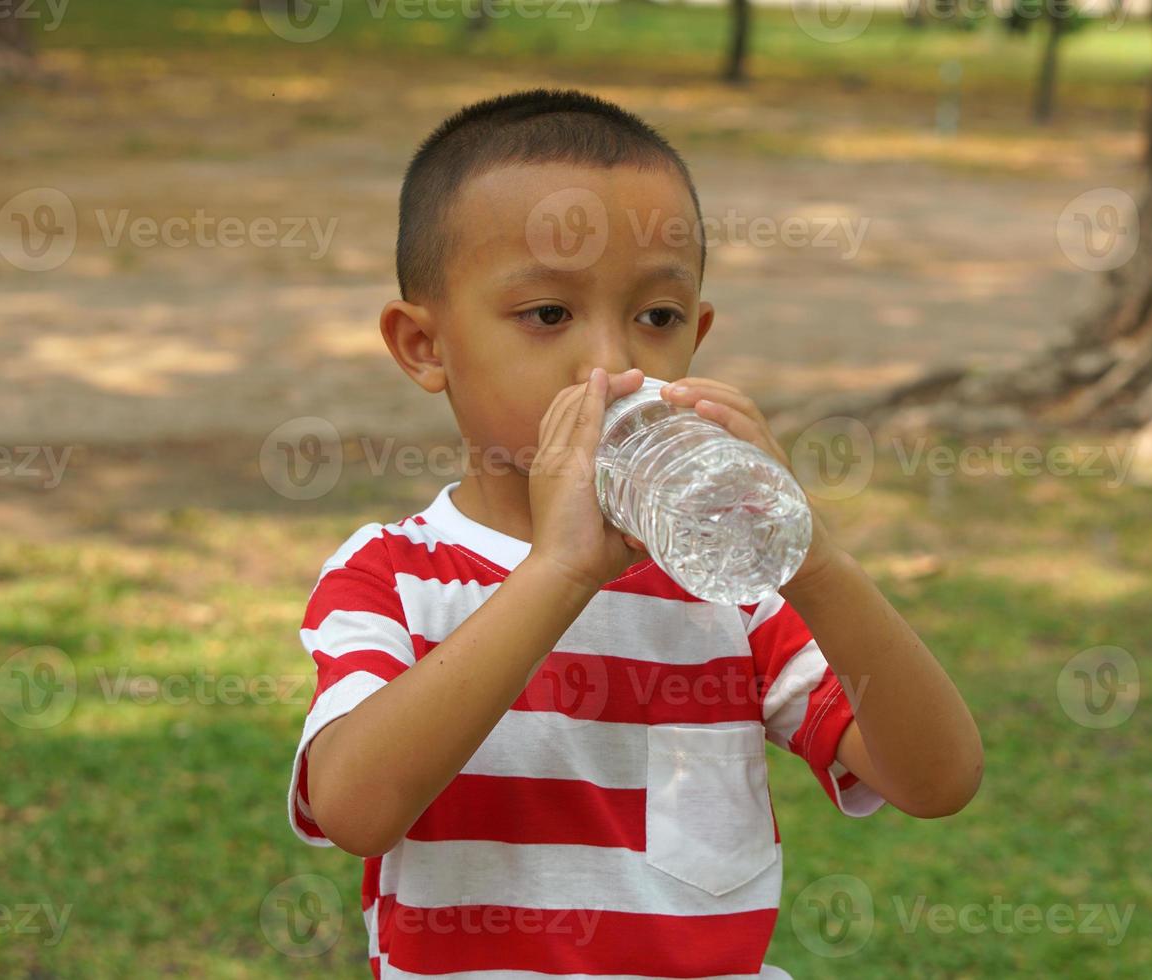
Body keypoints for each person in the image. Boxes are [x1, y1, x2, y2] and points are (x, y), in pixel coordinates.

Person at [286, 87, 982, 978]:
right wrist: (558, 571)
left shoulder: (728, 590)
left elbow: (937, 780)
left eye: (655, 319)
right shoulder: (393, 575)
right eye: (547, 315)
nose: (612, 366)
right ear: (426, 347)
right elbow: (355, 808)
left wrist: (816, 562)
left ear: (698, 335)